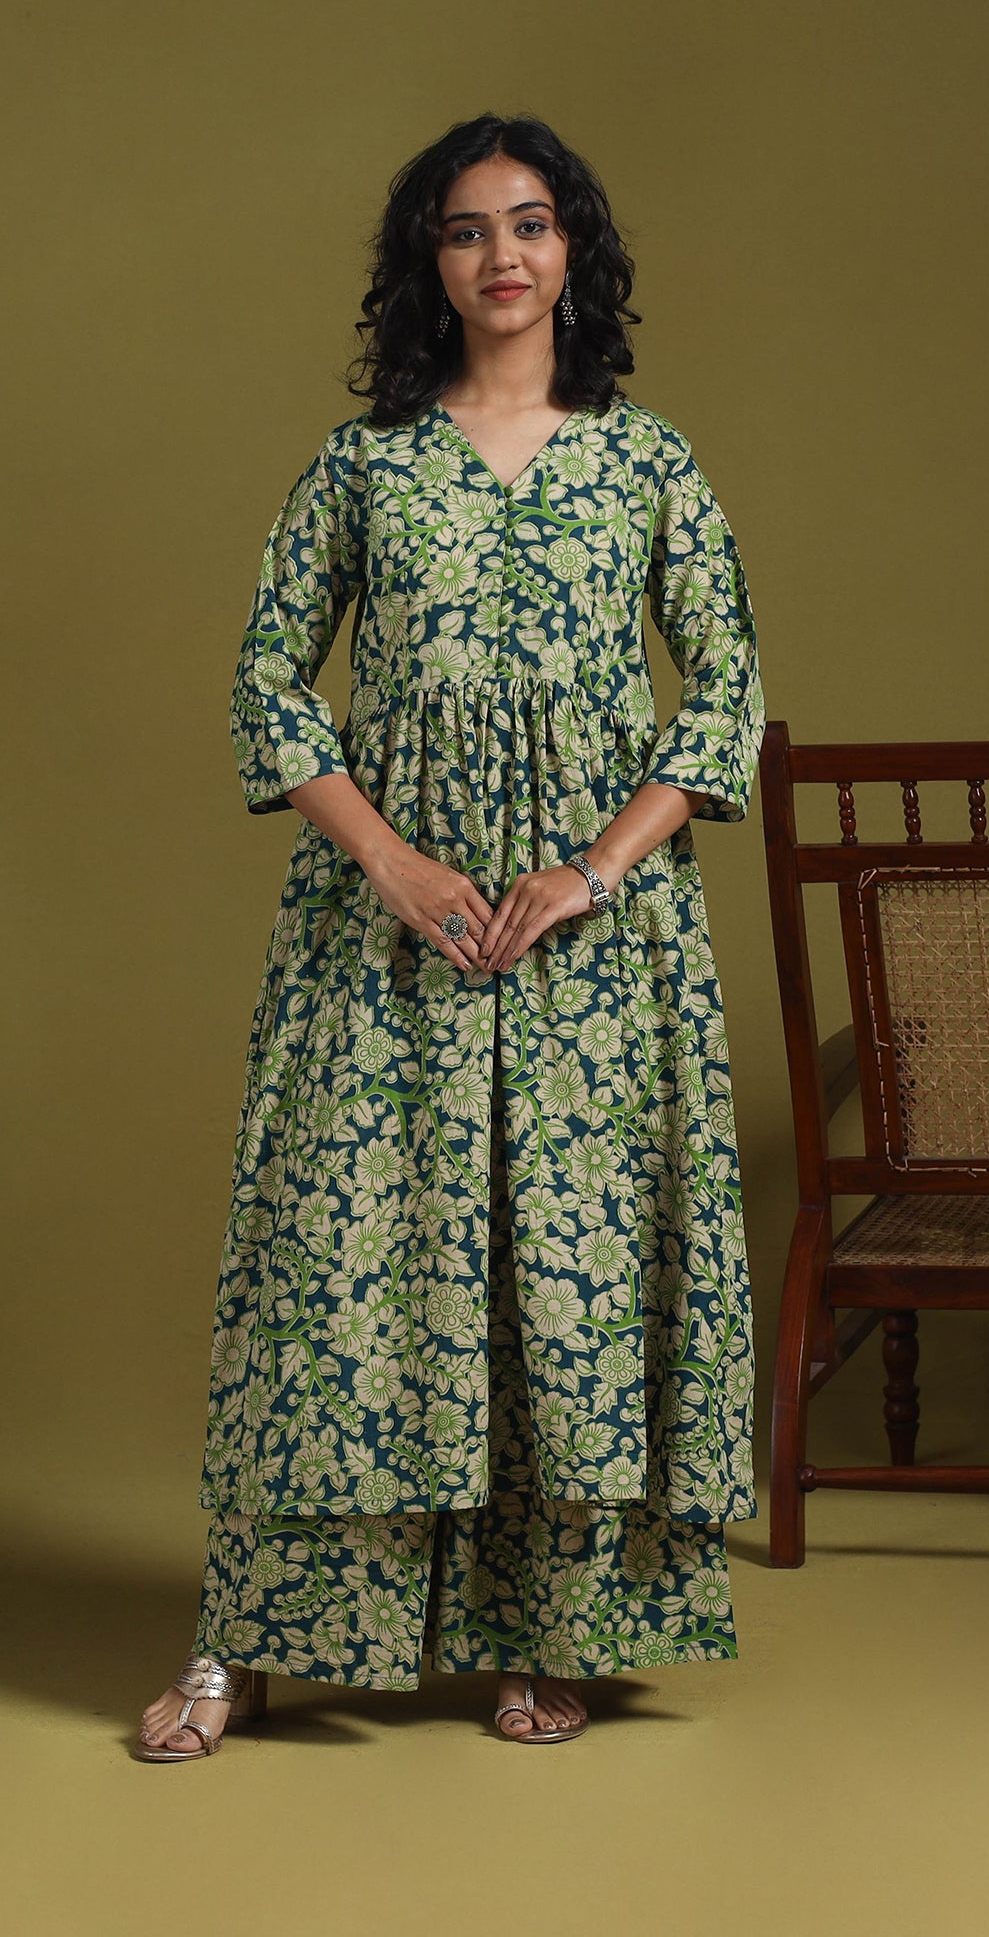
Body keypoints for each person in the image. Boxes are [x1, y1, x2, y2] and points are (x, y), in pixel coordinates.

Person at [136, 110, 765, 1759]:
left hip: (593, 951)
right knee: (336, 1269)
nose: (504, 255)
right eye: (469, 228)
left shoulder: (650, 465)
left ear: (576, 253)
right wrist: (394, 865)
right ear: (429, 263)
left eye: (532, 223)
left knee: (565, 1277)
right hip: (386, 932)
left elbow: (729, 696)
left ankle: (547, 1632)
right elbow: (267, 684)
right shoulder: (364, 469)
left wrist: (593, 869)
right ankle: (247, 1639)